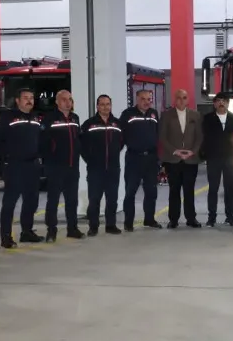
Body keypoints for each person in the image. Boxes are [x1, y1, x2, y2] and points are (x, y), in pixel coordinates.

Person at [0, 88, 44, 248]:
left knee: (31, 201)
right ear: (17, 100)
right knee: (10, 202)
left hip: (32, 165)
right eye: (25, 98)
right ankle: (6, 236)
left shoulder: (35, 117)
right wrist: (6, 158)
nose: (29, 100)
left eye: (31, 98)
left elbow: (40, 139)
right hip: (15, 165)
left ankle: (27, 232)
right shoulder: (8, 117)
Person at [41, 90, 84, 242]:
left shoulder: (75, 118)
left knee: (72, 200)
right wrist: (50, 159)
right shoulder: (50, 119)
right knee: (53, 200)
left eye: (70, 99)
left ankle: (72, 229)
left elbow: (79, 139)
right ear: (57, 102)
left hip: (72, 167)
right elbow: (43, 142)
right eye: (64, 99)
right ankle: (51, 230)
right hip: (55, 168)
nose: (68, 102)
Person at [159, 88, 203, 229]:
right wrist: (175, 151)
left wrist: (193, 152)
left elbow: (200, 137)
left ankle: (191, 218)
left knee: (189, 190)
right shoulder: (166, 115)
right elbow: (162, 137)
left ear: (188, 99)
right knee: (174, 190)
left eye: (184, 97)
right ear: (175, 99)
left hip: (191, 159)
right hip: (173, 160)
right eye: (179, 98)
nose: (181, 100)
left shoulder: (196, 115)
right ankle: (173, 219)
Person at [120, 89, 162, 231]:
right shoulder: (127, 114)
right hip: (134, 159)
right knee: (130, 192)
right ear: (137, 99)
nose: (146, 102)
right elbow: (121, 135)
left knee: (151, 192)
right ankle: (128, 223)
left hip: (151, 159)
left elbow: (158, 135)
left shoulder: (154, 114)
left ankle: (149, 219)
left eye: (149, 99)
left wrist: (159, 159)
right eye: (143, 99)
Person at [82, 94, 123, 236]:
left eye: (108, 104)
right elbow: (82, 145)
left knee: (112, 199)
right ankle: (93, 226)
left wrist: (113, 155)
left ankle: (111, 225)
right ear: (97, 106)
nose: (105, 107)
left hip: (113, 168)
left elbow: (121, 143)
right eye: (102, 104)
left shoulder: (117, 124)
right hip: (95, 169)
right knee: (94, 199)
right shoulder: (89, 124)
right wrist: (91, 160)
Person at [201, 92, 233, 227]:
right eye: (219, 101)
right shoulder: (207, 118)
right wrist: (204, 154)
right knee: (213, 189)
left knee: (229, 189)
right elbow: (204, 138)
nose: (221, 103)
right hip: (213, 158)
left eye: (224, 101)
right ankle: (211, 218)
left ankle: (230, 217)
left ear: (228, 103)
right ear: (214, 103)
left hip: (229, 158)